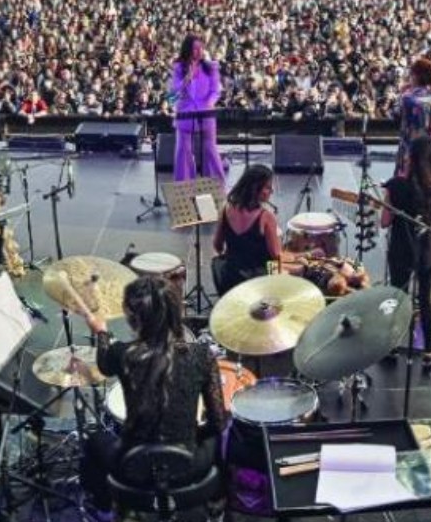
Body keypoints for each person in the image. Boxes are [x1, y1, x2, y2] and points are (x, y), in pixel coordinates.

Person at [77, 275, 227, 516]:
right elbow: (218, 422)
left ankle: (104, 506)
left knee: (95, 440)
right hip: (189, 465)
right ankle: (217, 499)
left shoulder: (122, 354)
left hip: (132, 466)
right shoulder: (202, 355)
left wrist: (101, 331)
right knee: (223, 432)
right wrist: (192, 433)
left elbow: (103, 364)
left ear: (132, 318)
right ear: (175, 312)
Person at [383, 137, 431, 365]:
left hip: (402, 249)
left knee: (397, 297)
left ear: (410, 158)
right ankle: (430, 352)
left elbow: (384, 221)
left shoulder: (395, 185)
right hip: (430, 251)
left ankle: (390, 347)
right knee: (427, 300)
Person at [212, 165, 320, 297]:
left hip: (230, 278)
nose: (271, 191)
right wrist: (306, 254)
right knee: (303, 269)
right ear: (255, 189)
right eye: (268, 187)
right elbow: (277, 256)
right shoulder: (266, 216)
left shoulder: (226, 209)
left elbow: (217, 246)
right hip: (258, 279)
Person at [171, 35, 226, 180]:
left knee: (210, 150)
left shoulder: (211, 67)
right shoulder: (178, 68)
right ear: (188, 49)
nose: (199, 51)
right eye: (195, 48)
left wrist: (210, 102)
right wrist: (186, 79)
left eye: (201, 48)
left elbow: (216, 91)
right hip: (185, 113)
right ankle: (184, 187)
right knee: (183, 151)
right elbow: (172, 95)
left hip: (206, 113)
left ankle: (216, 186)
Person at [395, 57, 431, 175]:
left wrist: (402, 91)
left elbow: (396, 114)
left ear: (417, 76)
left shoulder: (407, 97)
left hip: (411, 151)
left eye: (411, 74)